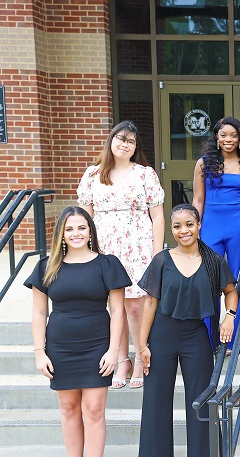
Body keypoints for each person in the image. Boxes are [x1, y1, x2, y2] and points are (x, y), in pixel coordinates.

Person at [25, 206, 132, 457]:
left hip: (98, 344)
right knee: (69, 409)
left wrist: (114, 351)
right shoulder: (47, 267)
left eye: (82, 227)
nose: (76, 233)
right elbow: (38, 312)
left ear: (90, 231)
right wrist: (39, 351)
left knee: (94, 411)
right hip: (60, 346)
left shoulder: (107, 264)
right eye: (69, 229)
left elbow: (118, 312)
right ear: (61, 233)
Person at [135, 204, 238, 457]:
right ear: (171, 229)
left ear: (199, 224)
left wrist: (229, 316)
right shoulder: (162, 261)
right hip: (162, 335)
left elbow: (231, 291)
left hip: (196, 335)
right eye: (178, 226)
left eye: (189, 224)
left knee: (202, 405)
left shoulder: (213, 260)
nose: (184, 231)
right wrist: (142, 345)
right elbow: (150, 304)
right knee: (155, 404)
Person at [77, 120, 164, 390]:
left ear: (135, 147)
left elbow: (158, 215)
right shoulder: (93, 174)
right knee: (115, 305)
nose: (124, 144)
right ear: (111, 140)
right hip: (105, 246)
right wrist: (83, 251)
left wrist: (157, 253)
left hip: (138, 244)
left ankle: (140, 355)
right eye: (120, 138)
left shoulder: (145, 174)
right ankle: (121, 358)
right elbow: (83, 216)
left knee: (136, 305)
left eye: (130, 141)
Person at [193, 116, 240, 350]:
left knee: (239, 278)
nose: (228, 139)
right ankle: (208, 339)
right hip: (211, 222)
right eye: (223, 135)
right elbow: (198, 199)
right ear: (216, 137)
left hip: (239, 224)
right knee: (208, 278)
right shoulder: (204, 164)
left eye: (233, 135)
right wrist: (195, 225)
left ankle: (238, 340)